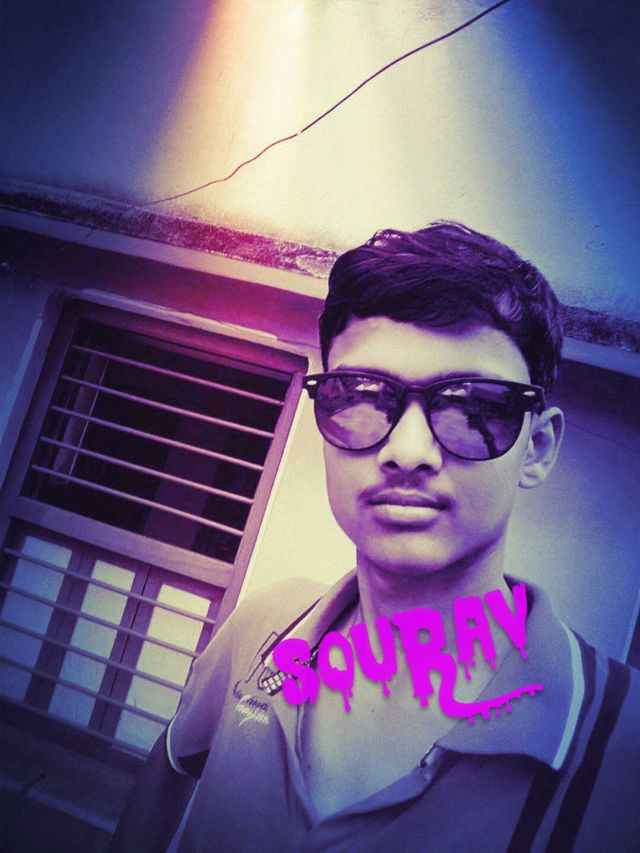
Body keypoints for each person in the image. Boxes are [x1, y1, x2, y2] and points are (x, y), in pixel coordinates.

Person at [110, 221, 639, 852]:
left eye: (474, 406)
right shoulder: (264, 628)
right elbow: (172, 762)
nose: (408, 452)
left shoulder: (621, 750)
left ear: (538, 447)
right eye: (361, 395)